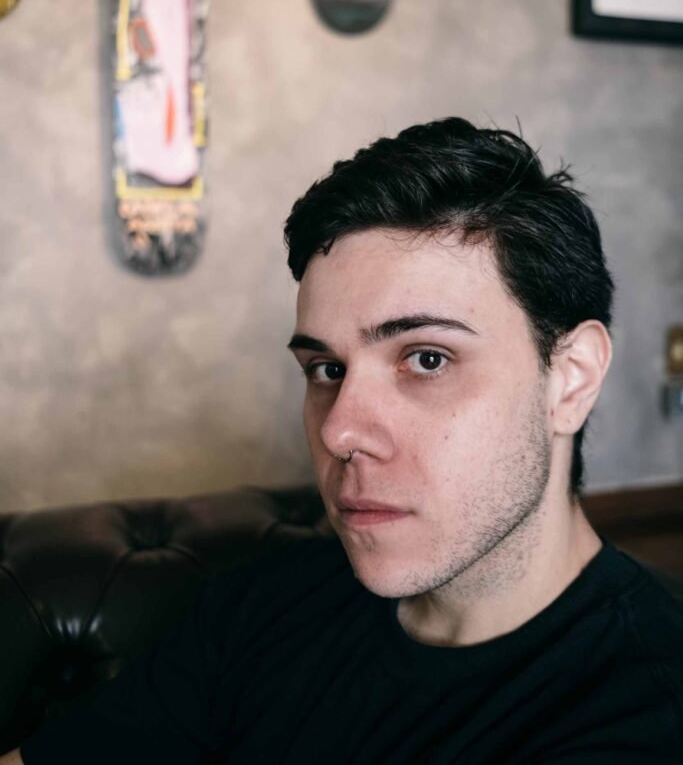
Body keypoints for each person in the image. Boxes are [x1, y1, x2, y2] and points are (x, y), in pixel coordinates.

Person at [4, 117, 683, 764]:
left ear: (570, 379)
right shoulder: (259, 607)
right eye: (326, 369)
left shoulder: (646, 715)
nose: (339, 430)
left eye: (426, 359)